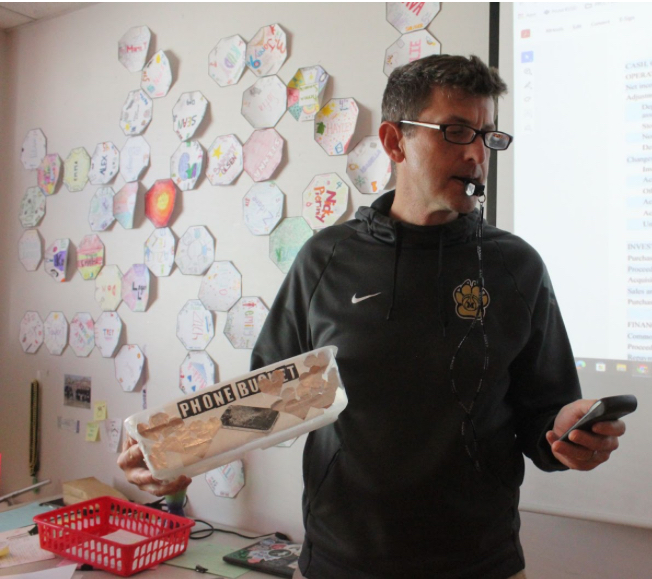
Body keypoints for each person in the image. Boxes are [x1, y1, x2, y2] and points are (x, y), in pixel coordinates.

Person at [119, 54, 626, 579]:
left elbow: (545, 419)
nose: (477, 153)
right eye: (455, 131)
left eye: (487, 136)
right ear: (393, 141)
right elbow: (264, 402)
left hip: (481, 564)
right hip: (341, 562)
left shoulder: (516, 267)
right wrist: (178, 457)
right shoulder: (325, 258)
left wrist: (569, 439)